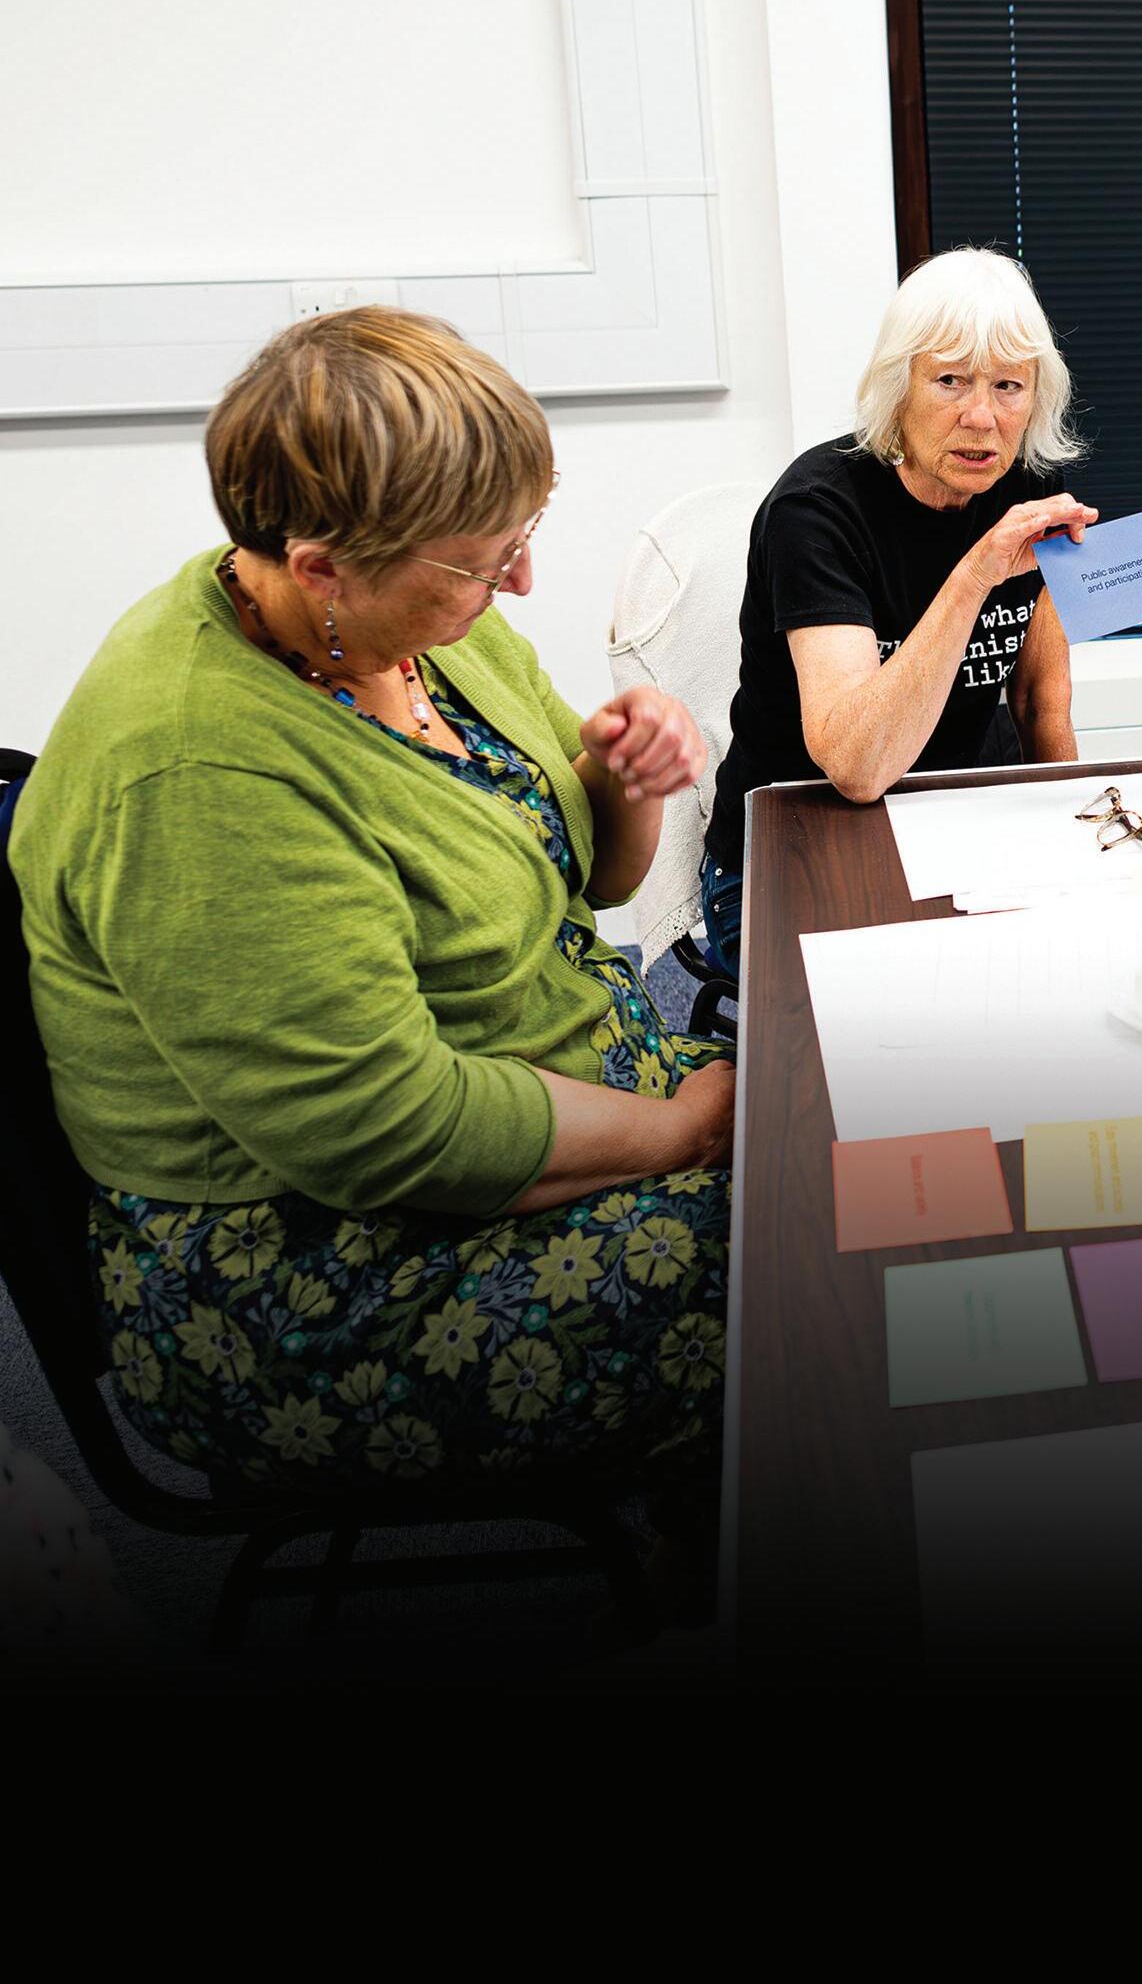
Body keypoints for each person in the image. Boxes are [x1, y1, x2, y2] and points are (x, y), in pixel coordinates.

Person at [12, 307, 733, 1502]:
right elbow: (384, 1125)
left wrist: (625, 773)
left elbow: (591, 880)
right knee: (828, 1275)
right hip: (315, 1268)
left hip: (556, 1094)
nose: (519, 580)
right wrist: (680, 1135)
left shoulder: (411, 628)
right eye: (483, 561)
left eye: (523, 535)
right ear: (319, 567)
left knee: (865, 1147)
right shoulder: (197, 770)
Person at [698, 246, 1095, 980]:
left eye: (1008, 386)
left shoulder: (1029, 488)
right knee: (936, 1000)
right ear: (898, 385)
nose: (982, 417)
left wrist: (1076, 840)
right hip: (797, 844)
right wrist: (976, 572)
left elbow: (1042, 701)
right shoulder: (814, 511)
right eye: (950, 381)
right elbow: (856, 766)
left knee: (1074, 967)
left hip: (957, 828)